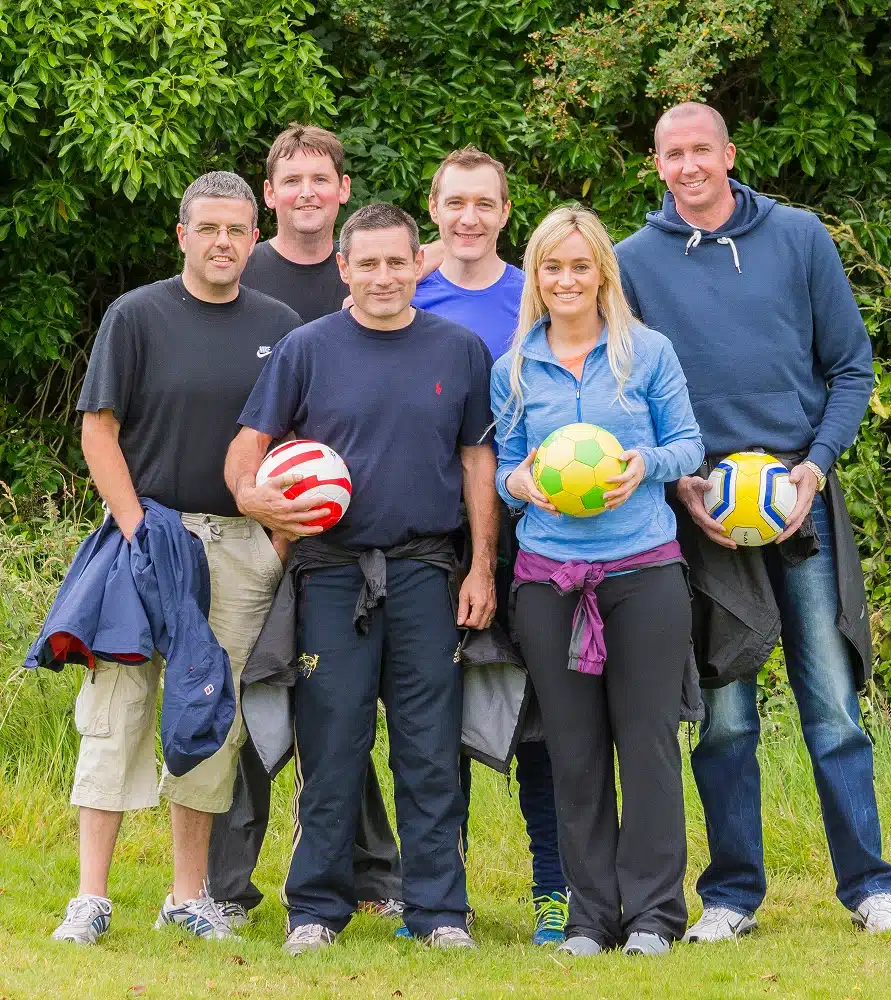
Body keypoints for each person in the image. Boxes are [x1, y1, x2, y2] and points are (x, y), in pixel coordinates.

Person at [615, 101, 891, 940]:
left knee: (833, 707)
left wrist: (813, 471)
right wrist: (683, 491)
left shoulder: (799, 237)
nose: (688, 167)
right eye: (672, 154)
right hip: (704, 517)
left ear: (729, 153)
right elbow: (630, 391)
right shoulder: (633, 261)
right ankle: (731, 896)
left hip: (799, 512)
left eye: (701, 150)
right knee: (725, 719)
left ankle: (869, 885)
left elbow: (851, 367)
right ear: (657, 163)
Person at [226, 202, 498, 955]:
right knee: (332, 743)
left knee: (428, 747)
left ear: (421, 264)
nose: (383, 276)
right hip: (332, 575)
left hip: (426, 572)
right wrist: (255, 499)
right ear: (344, 269)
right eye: (367, 263)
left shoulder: (460, 349)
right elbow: (247, 451)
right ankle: (314, 910)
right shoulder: (306, 348)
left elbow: (479, 462)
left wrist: (481, 564)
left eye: (396, 262)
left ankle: (440, 912)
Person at [51, 171, 304, 944]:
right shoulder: (137, 315)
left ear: (253, 238)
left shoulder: (283, 324)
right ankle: (90, 897)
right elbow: (99, 431)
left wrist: (276, 542)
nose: (223, 242)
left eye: (237, 230)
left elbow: (294, 441)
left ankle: (187, 895)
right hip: (144, 536)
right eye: (209, 229)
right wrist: (134, 529)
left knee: (208, 715)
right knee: (117, 710)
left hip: (237, 546)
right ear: (183, 235)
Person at [492, 205, 704, 956]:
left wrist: (645, 464)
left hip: (642, 573)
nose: (567, 279)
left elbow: (689, 444)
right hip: (548, 581)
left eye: (581, 266)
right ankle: (590, 918)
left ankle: (652, 915)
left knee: (645, 743)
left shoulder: (646, 354)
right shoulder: (514, 367)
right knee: (574, 751)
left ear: (602, 274)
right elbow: (505, 469)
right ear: (537, 278)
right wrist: (523, 482)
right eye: (553, 267)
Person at [208, 123, 405, 927]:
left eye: (322, 178)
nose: (308, 193)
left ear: (344, 190)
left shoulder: (370, 272)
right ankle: (224, 886)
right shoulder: (237, 271)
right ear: (269, 194)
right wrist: (256, 500)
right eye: (292, 180)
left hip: (359, 538)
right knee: (251, 703)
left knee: (343, 703)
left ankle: (373, 873)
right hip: (257, 525)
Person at [412, 146, 569, 946]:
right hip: (434, 543)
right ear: (433, 208)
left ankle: (554, 890)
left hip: (533, 539)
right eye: (454, 203)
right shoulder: (404, 290)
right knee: (436, 723)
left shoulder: (532, 297)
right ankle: (445, 899)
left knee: (538, 720)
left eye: (485, 203)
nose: (468, 217)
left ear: (506, 213)